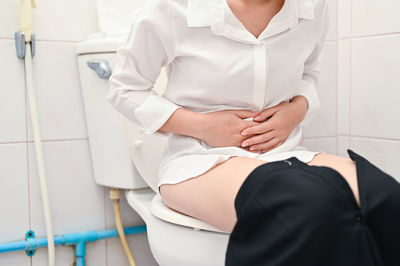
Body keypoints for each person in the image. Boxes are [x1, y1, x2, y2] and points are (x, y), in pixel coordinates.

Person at [107, 0, 400, 265]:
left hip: (283, 153)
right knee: (303, 208)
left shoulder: (313, 7)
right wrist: (204, 126)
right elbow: (125, 88)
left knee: (384, 197)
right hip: (200, 160)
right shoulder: (173, 8)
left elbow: (309, 73)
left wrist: (297, 109)